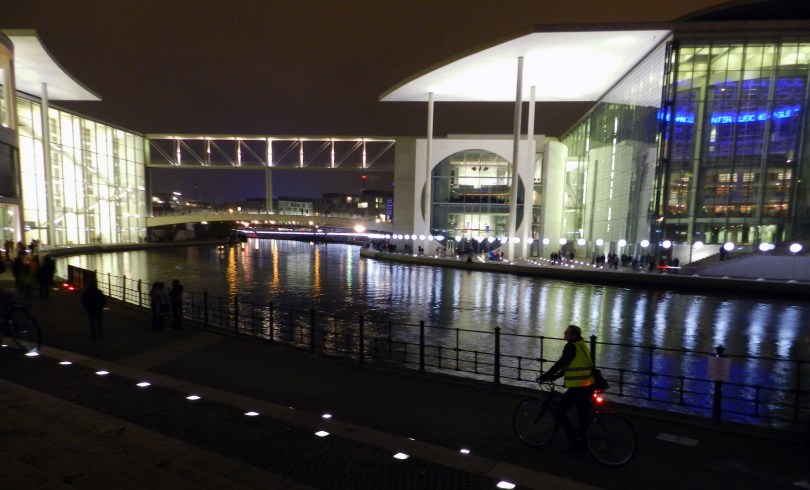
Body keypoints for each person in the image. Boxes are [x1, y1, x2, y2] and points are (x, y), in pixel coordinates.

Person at [537, 324, 595, 452]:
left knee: (560, 411)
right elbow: (571, 364)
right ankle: (583, 446)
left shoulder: (570, 346)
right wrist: (557, 376)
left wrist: (546, 375)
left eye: (566, 332)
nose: (564, 334)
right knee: (582, 418)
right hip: (588, 385)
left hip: (578, 387)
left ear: (573, 335)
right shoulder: (581, 344)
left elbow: (561, 362)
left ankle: (574, 443)